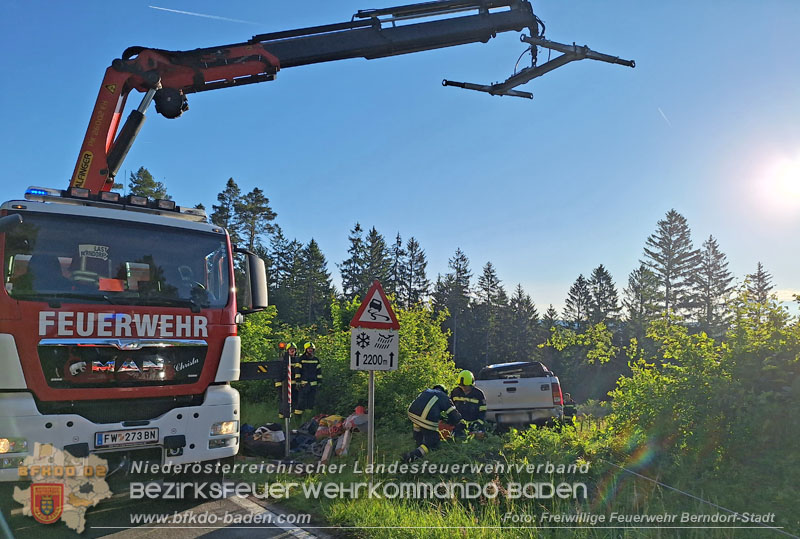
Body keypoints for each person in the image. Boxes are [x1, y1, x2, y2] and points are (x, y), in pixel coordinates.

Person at [403, 384, 463, 462]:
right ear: (445, 392)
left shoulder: (427, 391)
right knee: (433, 442)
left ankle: (418, 440)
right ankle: (412, 457)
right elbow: (454, 415)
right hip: (425, 418)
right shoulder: (444, 397)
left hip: (411, 414)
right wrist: (457, 422)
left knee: (418, 423)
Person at [450, 370, 488, 436]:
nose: (463, 388)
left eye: (465, 386)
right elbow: (450, 407)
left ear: (471, 384)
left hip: (474, 426)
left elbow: (483, 412)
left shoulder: (478, 394)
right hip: (458, 426)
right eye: (461, 386)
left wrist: (478, 424)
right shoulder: (455, 392)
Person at [295, 342, 322, 416]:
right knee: (301, 402)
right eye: (309, 349)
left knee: (311, 402)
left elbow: (319, 372)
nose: (310, 350)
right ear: (305, 350)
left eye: (311, 349)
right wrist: (298, 381)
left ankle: (307, 417)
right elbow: (297, 371)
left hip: (313, 385)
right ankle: (297, 418)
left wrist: (319, 382)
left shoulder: (316, 360)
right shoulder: (301, 359)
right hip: (304, 384)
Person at [275, 342, 299, 419]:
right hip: (283, 384)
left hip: (294, 384)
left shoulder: (297, 360)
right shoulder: (282, 360)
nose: (292, 351)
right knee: (283, 400)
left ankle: (292, 416)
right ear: (287, 350)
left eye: (293, 349)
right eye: (290, 349)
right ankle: (282, 417)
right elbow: (278, 372)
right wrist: (279, 384)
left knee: (294, 399)